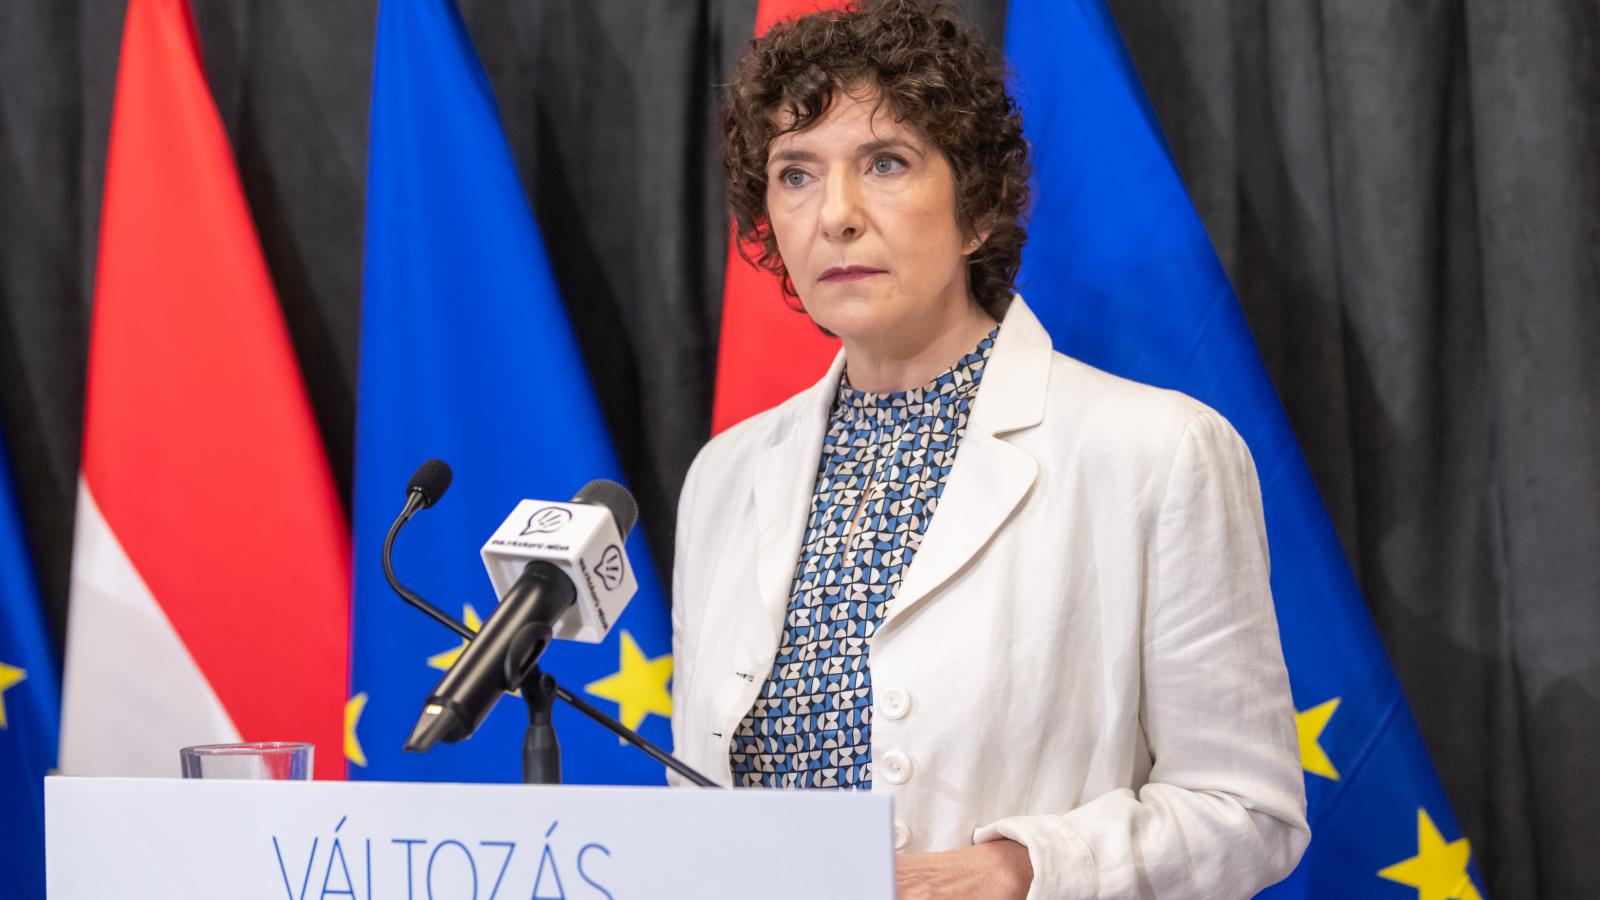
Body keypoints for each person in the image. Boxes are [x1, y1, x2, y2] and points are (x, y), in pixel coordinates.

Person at [669, 1, 1310, 896]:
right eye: (796, 174)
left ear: (976, 207)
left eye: (885, 163)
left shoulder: (1158, 452)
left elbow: (1248, 811)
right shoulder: (725, 477)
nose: (835, 215)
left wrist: (1021, 870)